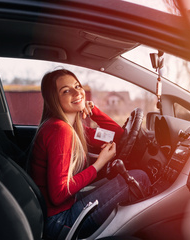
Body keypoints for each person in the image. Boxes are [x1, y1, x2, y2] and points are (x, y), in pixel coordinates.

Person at [30, 69, 151, 239]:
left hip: (63, 208)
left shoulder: (72, 128)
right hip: (59, 221)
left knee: (126, 178)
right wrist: (99, 163)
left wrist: (95, 112)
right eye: (66, 91)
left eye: (77, 86)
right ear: (54, 99)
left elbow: (117, 135)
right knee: (140, 177)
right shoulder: (60, 130)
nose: (76, 92)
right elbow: (58, 195)